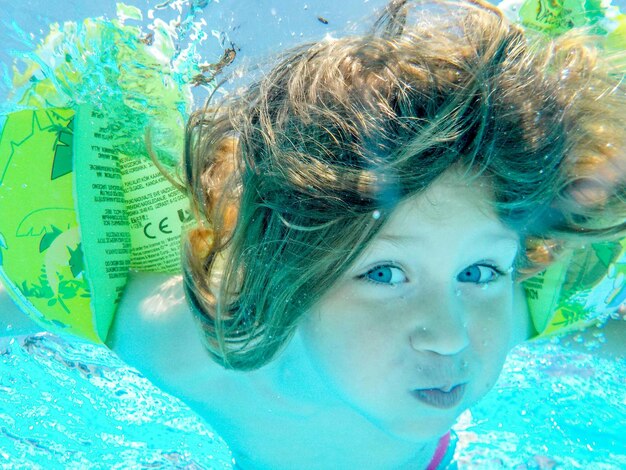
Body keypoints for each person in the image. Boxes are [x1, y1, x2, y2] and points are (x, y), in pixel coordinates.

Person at [2, 0, 626, 468]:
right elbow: (25, 314)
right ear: (283, 274)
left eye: (479, 271)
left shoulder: (502, 316)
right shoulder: (176, 353)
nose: (451, 334)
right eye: (384, 274)